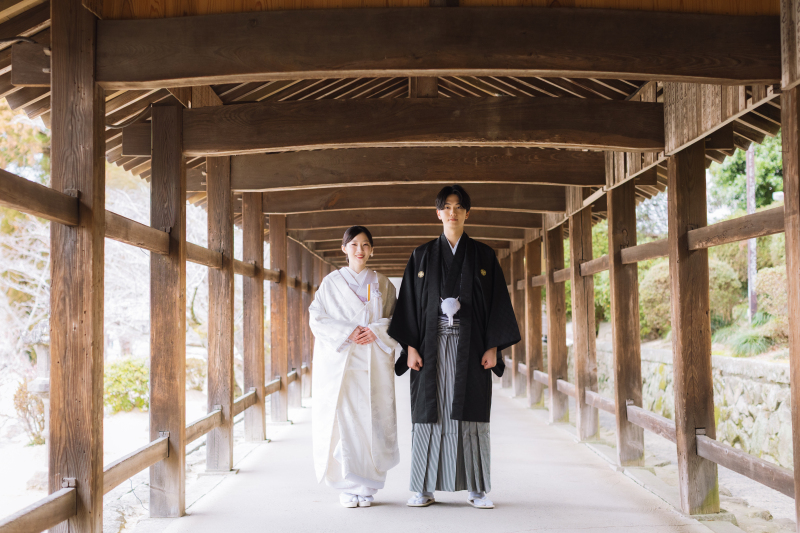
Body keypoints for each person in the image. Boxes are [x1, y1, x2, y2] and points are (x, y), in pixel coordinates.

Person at [388, 185, 520, 510]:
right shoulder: (421, 256)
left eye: (459, 207)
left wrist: (493, 347)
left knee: (471, 415)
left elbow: (497, 304)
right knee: (428, 415)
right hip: (429, 349)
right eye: (446, 207)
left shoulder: (484, 256)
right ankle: (423, 487)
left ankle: (477, 489)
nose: (452, 212)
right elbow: (407, 306)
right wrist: (410, 347)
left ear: (467, 213)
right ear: (438, 213)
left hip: (471, 348)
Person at [309, 226, 400, 508]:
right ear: (344, 248)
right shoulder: (331, 283)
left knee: (371, 424)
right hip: (344, 367)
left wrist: (376, 330)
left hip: (373, 364)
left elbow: (398, 320)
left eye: (365, 245)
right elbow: (317, 318)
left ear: (372, 250)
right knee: (346, 425)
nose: (359, 250)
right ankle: (348, 487)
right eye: (354, 245)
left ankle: (367, 488)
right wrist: (348, 332)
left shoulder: (384, 284)